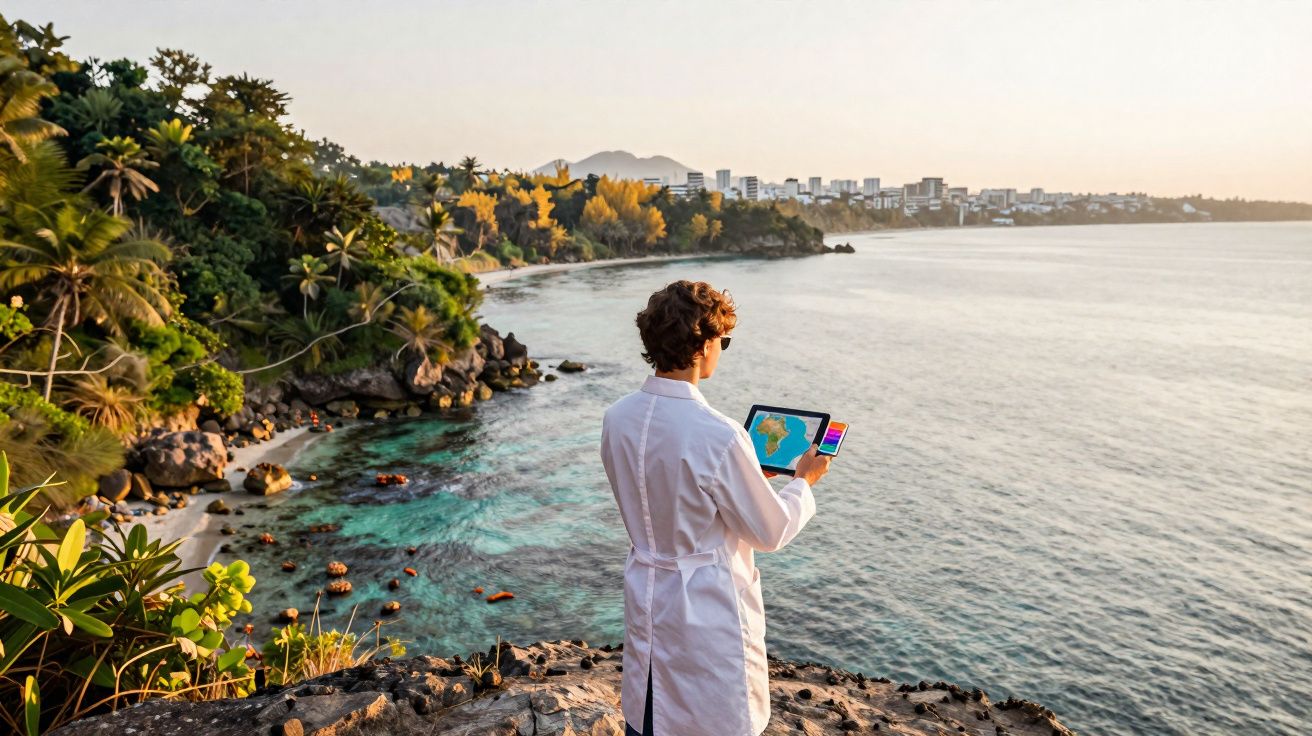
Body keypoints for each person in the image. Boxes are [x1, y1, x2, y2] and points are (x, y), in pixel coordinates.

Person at [600, 280, 832, 736]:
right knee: (712, 717)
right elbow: (771, 532)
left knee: (649, 712)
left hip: (647, 586)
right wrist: (803, 481)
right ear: (704, 344)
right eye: (722, 341)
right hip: (704, 605)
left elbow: (665, 493)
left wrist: (740, 483)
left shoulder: (617, 417)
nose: (721, 350)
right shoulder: (720, 434)